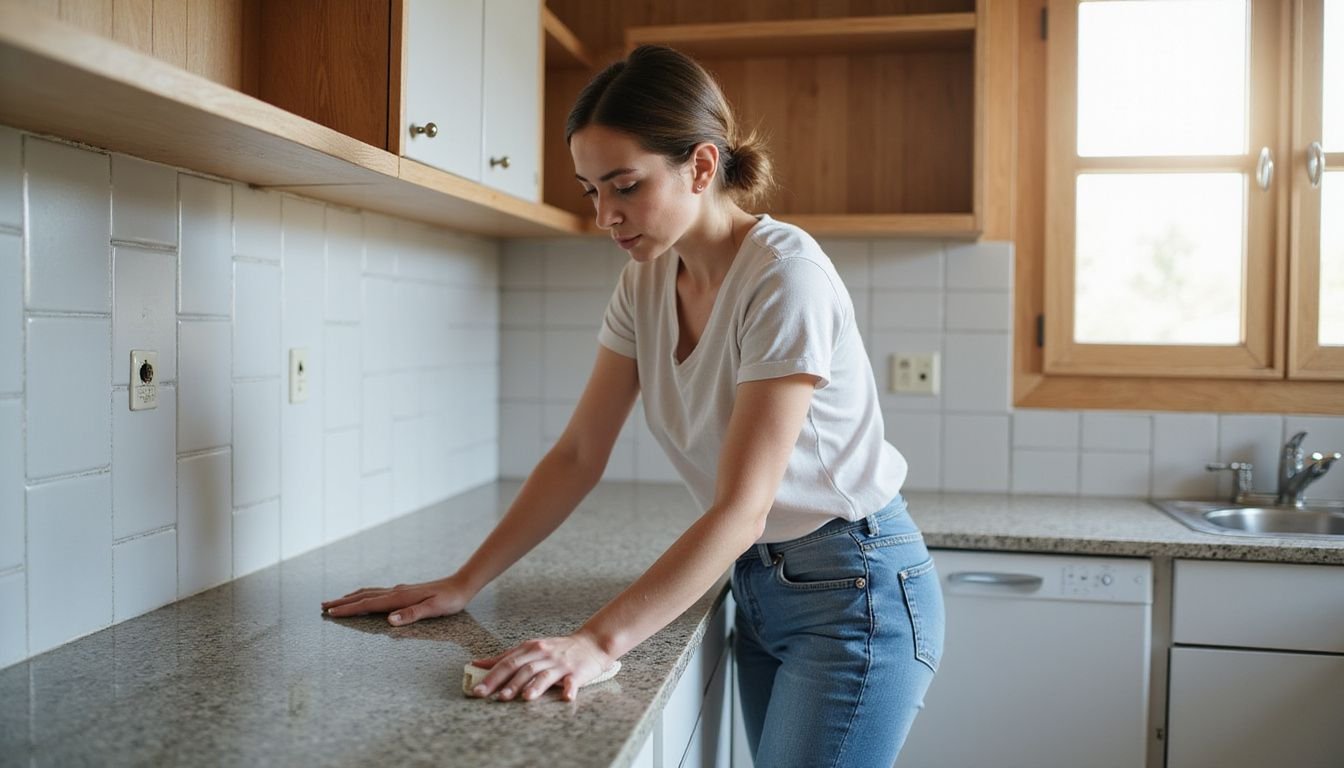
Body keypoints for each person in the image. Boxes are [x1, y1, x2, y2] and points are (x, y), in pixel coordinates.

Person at [321, 44, 945, 767]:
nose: (605, 216)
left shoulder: (786, 278)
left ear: (702, 167)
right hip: (760, 582)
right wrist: (465, 581)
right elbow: (579, 454)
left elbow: (742, 508)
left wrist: (596, 642)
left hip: (854, 588)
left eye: (624, 186)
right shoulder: (645, 281)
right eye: (591, 191)